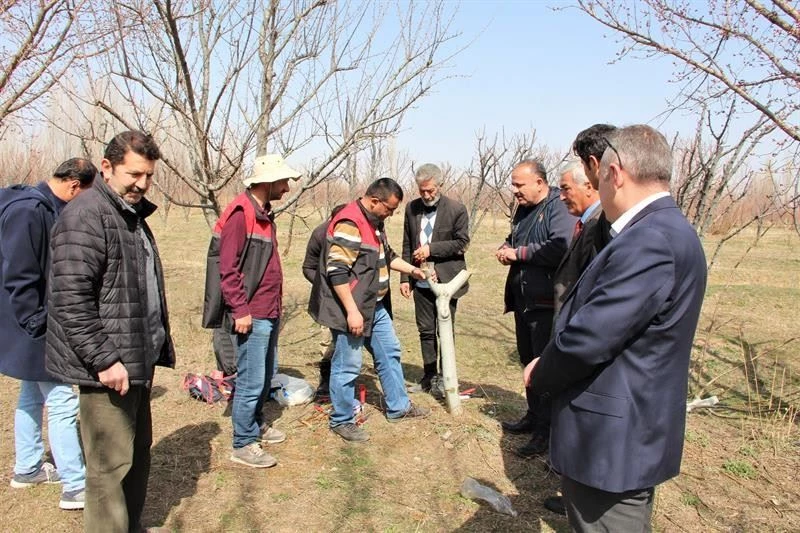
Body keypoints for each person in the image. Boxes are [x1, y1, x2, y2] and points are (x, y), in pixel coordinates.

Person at [527, 125, 707, 531]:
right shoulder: (664, 230)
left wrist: (541, 373)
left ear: (616, 173)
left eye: (599, 177)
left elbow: (590, 338)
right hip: (627, 428)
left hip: (612, 441)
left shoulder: (650, 240)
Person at [46, 131, 176, 533]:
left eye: (149, 176)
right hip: (109, 368)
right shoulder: (86, 215)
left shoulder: (128, 214)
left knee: (135, 457)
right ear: (106, 167)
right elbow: (70, 298)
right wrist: (104, 359)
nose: (142, 183)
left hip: (135, 360)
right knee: (109, 467)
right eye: (134, 174)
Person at [0, 158, 95, 510]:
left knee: (30, 395)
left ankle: (27, 468)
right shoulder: (29, 211)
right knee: (62, 401)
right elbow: (20, 275)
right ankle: (75, 484)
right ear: (74, 185)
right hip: (31, 325)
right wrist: (38, 322)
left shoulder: (43, 207)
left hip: (24, 325)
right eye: (85, 195)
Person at [308, 178, 430, 442]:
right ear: (374, 201)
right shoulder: (350, 223)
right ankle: (341, 420)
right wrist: (352, 312)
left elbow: (388, 255)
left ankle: (399, 406)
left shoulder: (375, 223)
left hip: (374, 305)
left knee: (390, 351)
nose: (391, 214)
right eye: (389, 208)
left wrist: (414, 271)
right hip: (352, 307)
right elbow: (337, 271)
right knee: (348, 364)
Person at [203, 154, 300, 468]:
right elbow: (227, 269)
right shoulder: (240, 214)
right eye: (284, 181)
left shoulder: (263, 213)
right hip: (252, 313)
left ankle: (256, 423)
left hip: (268, 310)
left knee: (265, 375)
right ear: (269, 181)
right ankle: (243, 442)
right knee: (251, 379)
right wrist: (240, 309)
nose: (287, 188)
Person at [496, 159, 575, 458]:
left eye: (519, 185)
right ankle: (533, 416)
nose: (514, 190)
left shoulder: (557, 206)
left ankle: (546, 431)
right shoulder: (523, 209)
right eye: (513, 184)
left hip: (546, 303)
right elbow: (515, 237)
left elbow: (561, 245)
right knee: (528, 361)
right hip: (523, 301)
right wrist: (507, 247)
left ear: (540, 183)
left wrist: (519, 254)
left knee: (543, 368)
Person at [399, 163, 470, 393]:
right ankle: (429, 377)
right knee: (426, 330)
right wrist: (404, 277)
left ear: (440, 185)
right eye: (422, 191)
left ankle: (445, 376)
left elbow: (462, 243)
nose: (426, 195)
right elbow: (408, 243)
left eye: (430, 190)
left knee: (445, 330)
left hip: (447, 281)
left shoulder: (456, 209)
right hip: (420, 279)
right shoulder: (411, 208)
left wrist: (431, 249)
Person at [301, 204, 346, 401]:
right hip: (327, 299)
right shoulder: (320, 233)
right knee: (328, 342)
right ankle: (326, 382)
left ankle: (344, 383)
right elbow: (308, 267)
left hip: (352, 296)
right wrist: (325, 285)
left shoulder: (356, 233)